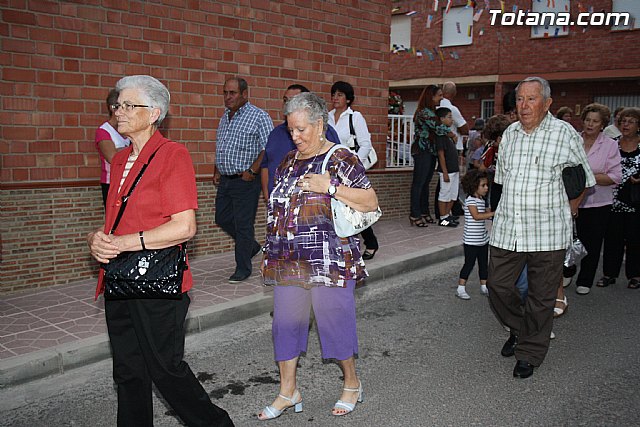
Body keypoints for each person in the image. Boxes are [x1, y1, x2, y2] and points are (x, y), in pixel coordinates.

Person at [87, 75, 234, 427]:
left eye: (128, 105)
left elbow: (184, 227)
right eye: (117, 105)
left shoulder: (172, 155)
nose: (118, 111)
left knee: (165, 370)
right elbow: (119, 220)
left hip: (157, 283)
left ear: (154, 113)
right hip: (120, 279)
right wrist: (99, 239)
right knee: (128, 372)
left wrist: (125, 242)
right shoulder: (120, 160)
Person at [259, 92, 377, 419]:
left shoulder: (341, 158)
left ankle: (352, 383)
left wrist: (331, 187)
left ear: (320, 124)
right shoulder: (288, 161)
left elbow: (370, 201)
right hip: (289, 261)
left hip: (329, 262)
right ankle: (288, 392)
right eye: (290, 130)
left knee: (335, 323)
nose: (294, 136)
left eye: (301, 129)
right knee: (285, 325)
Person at [487, 77, 595, 379]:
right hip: (509, 228)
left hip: (548, 231)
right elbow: (502, 180)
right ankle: (521, 329)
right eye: (520, 99)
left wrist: (570, 210)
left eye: (531, 99)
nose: (524, 105)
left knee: (541, 296)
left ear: (547, 103)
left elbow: (584, 179)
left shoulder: (564, 134)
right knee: (497, 285)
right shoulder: (509, 134)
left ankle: (530, 352)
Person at [214, 77, 273, 283]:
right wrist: (217, 169)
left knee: (243, 224)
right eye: (225, 93)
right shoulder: (225, 117)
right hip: (226, 180)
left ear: (244, 94)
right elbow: (222, 145)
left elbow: (268, 148)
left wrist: (253, 170)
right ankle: (252, 246)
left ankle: (243, 268)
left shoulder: (259, 116)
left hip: (246, 180)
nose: (227, 97)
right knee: (221, 218)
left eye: (232, 93)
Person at [573, 103, 622, 295]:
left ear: (603, 124)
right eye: (587, 120)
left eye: (595, 121)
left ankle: (585, 280)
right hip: (571, 201)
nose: (590, 124)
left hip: (599, 203)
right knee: (567, 239)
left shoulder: (610, 145)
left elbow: (615, 176)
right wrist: (593, 175)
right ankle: (567, 270)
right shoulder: (573, 140)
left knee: (591, 243)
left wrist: (586, 177)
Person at [260, 84, 339, 201]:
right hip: (279, 205)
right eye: (285, 100)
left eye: (293, 100)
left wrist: (330, 188)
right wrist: (268, 197)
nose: (295, 137)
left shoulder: (326, 132)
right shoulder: (275, 134)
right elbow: (266, 165)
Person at [328, 81, 378, 260]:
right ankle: (341, 244)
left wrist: (354, 165)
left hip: (350, 170)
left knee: (353, 206)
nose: (335, 98)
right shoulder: (327, 117)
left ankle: (370, 242)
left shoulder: (355, 117)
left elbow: (365, 144)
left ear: (348, 99)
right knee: (337, 207)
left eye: (340, 95)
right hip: (331, 169)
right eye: (334, 94)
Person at [602, 107, 640, 289]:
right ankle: (609, 274)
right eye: (623, 121)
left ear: (638, 126)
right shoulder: (612, 144)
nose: (626, 125)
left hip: (636, 201)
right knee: (612, 238)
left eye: (631, 121)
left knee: (635, 239)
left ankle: (635, 275)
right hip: (613, 199)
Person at [410, 84, 447, 227]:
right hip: (422, 151)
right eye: (439, 95)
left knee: (425, 183)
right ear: (431, 96)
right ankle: (415, 214)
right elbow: (440, 128)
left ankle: (424, 212)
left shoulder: (431, 112)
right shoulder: (424, 113)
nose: (441, 98)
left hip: (430, 150)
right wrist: (450, 132)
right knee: (419, 183)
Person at [457, 169, 494, 299]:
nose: (486, 188)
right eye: (483, 185)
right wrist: (493, 213)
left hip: (482, 239)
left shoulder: (481, 200)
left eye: (487, 185)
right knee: (469, 264)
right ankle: (461, 288)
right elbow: (476, 216)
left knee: (483, 264)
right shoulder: (471, 201)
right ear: (474, 186)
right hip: (471, 240)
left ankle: (484, 286)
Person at [95, 89, 130, 206]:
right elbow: (112, 157)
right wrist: (133, 150)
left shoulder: (128, 129)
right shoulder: (104, 131)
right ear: (113, 108)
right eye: (123, 106)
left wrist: (120, 150)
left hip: (127, 181)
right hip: (111, 183)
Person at [435, 107, 460, 227]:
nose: (452, 120)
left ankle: (447, 214)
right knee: (444, 194)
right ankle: (443, 218)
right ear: (442, 119)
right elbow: (441, 155)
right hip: (447, 170)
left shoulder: (448, 135)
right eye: (449, 117)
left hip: (454, 169)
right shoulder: (440, 136)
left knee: (453, 194)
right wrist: (444, 172)